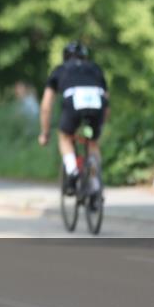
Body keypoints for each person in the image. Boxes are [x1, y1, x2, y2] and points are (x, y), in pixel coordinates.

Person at [38, 40, 110, 196]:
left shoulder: (60, 70)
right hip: (97, 101)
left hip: (73, 101)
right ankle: (95, 183)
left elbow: (46, 106)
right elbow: (107, 102)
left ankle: (72, 172)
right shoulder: (95, 68)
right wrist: (101, 126)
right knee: (93, 142)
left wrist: (45, 133)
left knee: (64, 137)